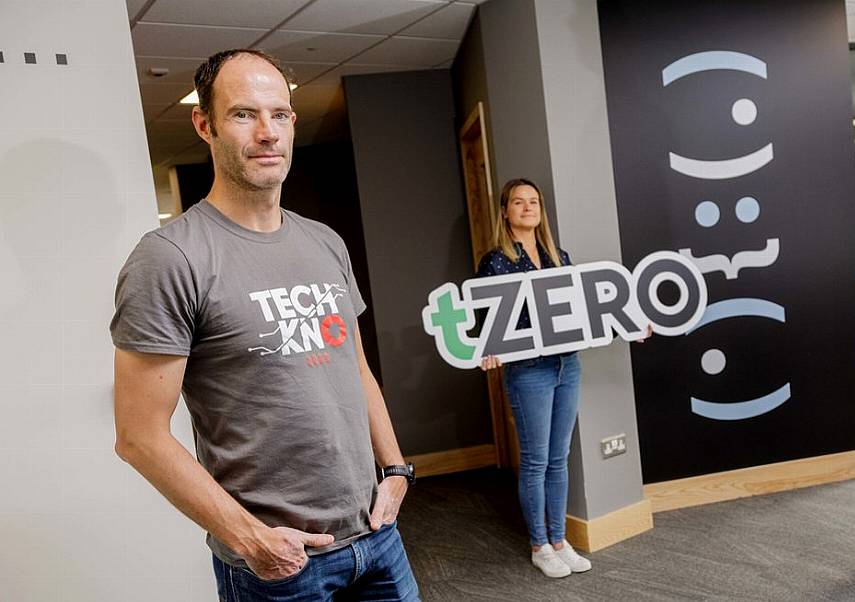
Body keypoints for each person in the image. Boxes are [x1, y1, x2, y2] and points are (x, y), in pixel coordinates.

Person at [111, 49, 419, 601]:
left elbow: (355, 366)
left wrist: (396, 468)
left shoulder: (325, 241)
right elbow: (139, 437)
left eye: (279, 114)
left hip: (376, 537)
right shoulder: (170, 258)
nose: (266, 132)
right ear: (205, 125)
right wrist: (250, 538)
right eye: (243, 114)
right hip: (281, 563)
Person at [475, 178, 591, 579]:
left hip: (566, 365)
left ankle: (560, 540)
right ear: (505, 212)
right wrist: (487, 349)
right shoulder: (495, 262)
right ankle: (539, 545)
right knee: (537, 460)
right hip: (529, 371)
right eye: (519, 202)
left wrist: (626, 324)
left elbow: (583, 312)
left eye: (534, 201)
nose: (528, 207)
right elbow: (486, 323)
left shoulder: (559, 256)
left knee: (559, 459)